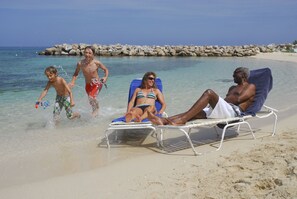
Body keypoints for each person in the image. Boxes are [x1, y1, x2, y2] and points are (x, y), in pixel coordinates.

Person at [148, 67, 256, 125]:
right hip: (224, 109)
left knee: (209, 93)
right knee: (193, 113)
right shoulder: (232, 88)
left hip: (234, 112)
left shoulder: (250, 86)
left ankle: (181, 121)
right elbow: (228, 100)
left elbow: (238, 99)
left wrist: (219, 100)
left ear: (243, 75)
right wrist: (219, 102)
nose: (232, 75)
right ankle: (164, 121)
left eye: (235, 73)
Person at [69, 46, 109, 117]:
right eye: (86, 53)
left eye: (90, 53)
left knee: (92, 97)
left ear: (93, 54)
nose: (87, 55)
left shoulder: (96, 63)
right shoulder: (80, 63)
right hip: (87, 85)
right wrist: (72, 82)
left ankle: (96, 110)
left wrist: (105, 77)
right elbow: (75, 74)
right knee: (91, 101)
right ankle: (95, 113)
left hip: (97, 83)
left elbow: (106, 70)